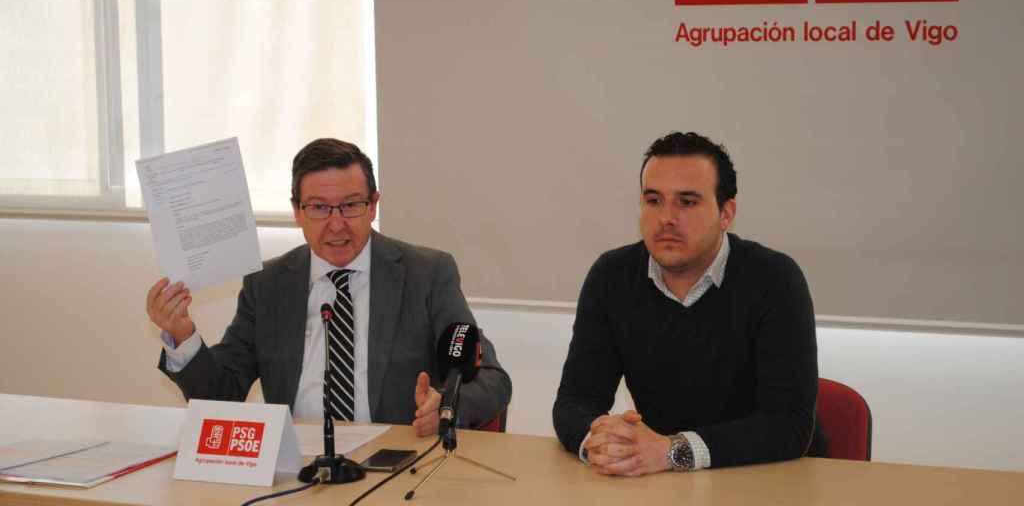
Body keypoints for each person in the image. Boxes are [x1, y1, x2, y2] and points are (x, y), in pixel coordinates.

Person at [147, 138, 511, 435]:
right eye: (319, 208)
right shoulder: (268, 283)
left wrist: (446, 406)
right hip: (297, 470)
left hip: (396, 466)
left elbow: (492, 380)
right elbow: (222, 396)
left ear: (373, 206)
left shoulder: (427, 274)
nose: (336, 225)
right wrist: (183, 335)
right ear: (297, 210)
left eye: (351, 205)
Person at [552, 131, 825, 475]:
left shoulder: (774, 279)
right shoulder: (612, 275)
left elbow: (788, 424)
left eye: (687, 202)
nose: (666, 217)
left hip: (773, 479)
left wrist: (672, 451)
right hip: (663, 484)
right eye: (653, 200)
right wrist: (602, 441)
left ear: (726, 213)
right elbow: (575, 401)